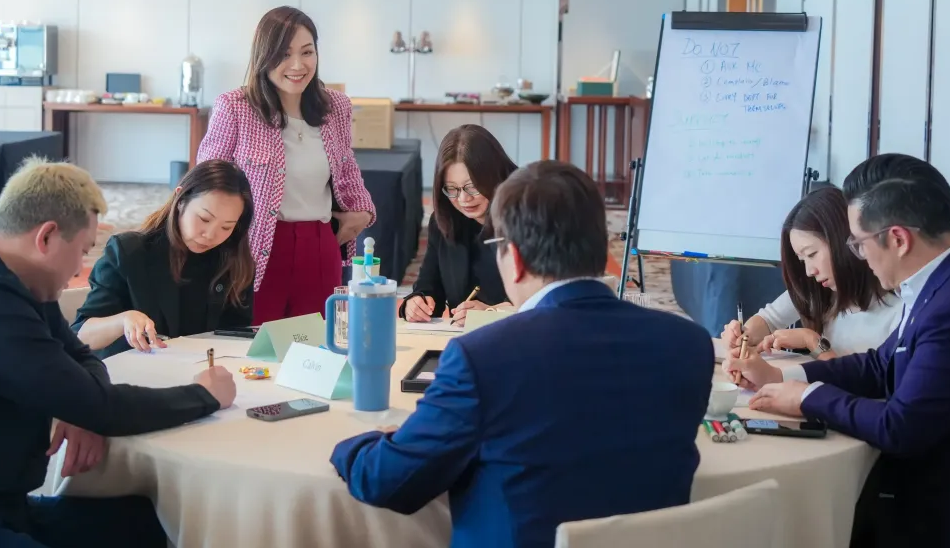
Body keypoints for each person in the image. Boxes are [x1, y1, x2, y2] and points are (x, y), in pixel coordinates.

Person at [331, 161, 713, 548]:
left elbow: (386, 481)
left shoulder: (481, 358)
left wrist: (356, 442)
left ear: (514, 259)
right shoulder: (689, 345)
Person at [0, 158, 237, 548]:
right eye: (81, 251)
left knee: (149, 522)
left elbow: (80, 356)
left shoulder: (10, 276)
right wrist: (206, 395)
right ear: (45, 237)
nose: (80, 266)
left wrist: (82, 405)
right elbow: (103, 404)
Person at [728, 154, 950, 548]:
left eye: (858, 243)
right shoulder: (939, 281)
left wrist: (808, 398)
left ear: (898, 239)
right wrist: (785, 377)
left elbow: (901, 428)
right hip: (938, 496)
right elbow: (879, 364)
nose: (857, 255)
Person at [197, 5, 376, 324]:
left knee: (318, 349)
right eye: (284, 54)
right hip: (254, 249)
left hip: (319, 247)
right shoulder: (235, 108)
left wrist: (362, 211)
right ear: (264, 57)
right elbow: (207, 184)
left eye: (307, 52)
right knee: (255, 351)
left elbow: (346, 170)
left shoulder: (335, 107)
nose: (297, 65)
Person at [72, 159, 255, 357]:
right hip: (131, 376)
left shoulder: (234, 262)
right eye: (204, 219)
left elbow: (236, 335)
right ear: (180, 199)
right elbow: (81, 335)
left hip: (198, 374)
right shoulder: (130, 252)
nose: (210, 235)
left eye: (226, 227)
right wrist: (124, 320)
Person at [719, 186, 901, 368]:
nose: (809, 271)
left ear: (843, 240)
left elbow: (863, 382)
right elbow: (770, 319)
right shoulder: (820, 290)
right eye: (802, 260)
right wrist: (743, 336)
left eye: (812, 254)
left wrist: (812, 342)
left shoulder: (899, 308)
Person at [399, 124, 517, 326]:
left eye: (471, 187)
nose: (463, 199)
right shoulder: (445, 220)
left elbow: (544, 300)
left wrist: (492, 312)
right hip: (461, 340)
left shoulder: (525, 219)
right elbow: (429, 287)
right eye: (452, 189)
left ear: (493, 176)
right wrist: (416, 303)